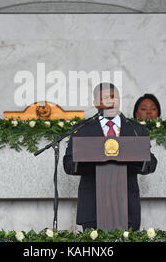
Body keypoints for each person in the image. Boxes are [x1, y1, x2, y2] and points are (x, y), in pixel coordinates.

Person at [63, 83, 158, 231]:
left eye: (114, 97)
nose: (110, 101)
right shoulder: (82, 129)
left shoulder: (135, 128)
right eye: (105, 97)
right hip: (92, 207)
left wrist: (126, 157)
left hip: (127, 208)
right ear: (96, 104)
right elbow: (68, 165)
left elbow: (151, 164)